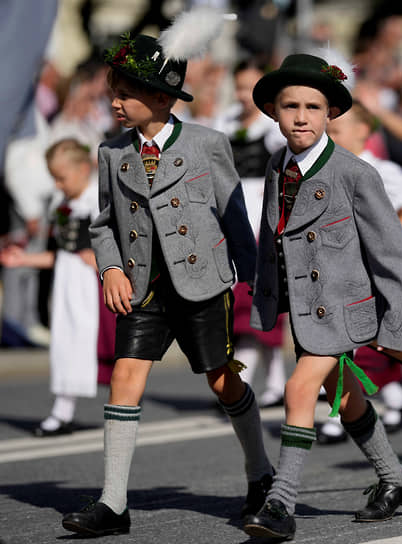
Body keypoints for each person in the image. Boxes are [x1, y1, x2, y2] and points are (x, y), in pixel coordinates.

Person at [61, 19, 274, 537]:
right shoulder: (112, 152)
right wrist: (110, 266)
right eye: (113, 93)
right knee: (124, 378)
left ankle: (260, 475)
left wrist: (252, 280)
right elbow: (104, 222)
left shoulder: (208, 143)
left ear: (160, 98)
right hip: (141, 287)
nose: (114, 103)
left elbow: (233, 217)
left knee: (223, 381)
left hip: (203, 283)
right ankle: (114, 503)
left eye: (125, 94)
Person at [243, 51, 402, 540]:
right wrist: (268, 300)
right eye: (290, 106)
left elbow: (391, 254)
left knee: (300, 389)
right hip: (302, 309)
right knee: (344, 397)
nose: (301, 116)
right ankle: (395, 477)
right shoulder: (279, 166)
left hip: (344, 307)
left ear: (331, 114)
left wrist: (394, 324)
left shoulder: (355, 174)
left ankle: (280, 504)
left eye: (313, 107)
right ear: (274, 112)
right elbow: (269, 238)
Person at [317, 101, 402, 443]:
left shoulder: (383, 170)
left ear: (363, 131)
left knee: (363, 339)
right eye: (327, 132)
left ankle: (340, 413)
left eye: (336, 131)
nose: (329, 138)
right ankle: (396, 399)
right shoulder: (329, 169)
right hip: (341, 266)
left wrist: (379, 243)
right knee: (345, 337)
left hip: (373, 267)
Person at [0, 139, 100, 436]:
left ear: (83, 169)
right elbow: (59, 254)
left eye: (61, 177)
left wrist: (100, 259)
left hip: (91, 285)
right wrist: (23, 259)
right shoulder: (62, 204)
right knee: (65, 344)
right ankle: (62, 411)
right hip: (67, 283)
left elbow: (117, 243)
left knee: (92, 344)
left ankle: (121, 407)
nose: (57, 184)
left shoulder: (96, 200)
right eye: (53, 177)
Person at [213, 57, 289, 408]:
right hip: (232, 210)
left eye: (251, 88)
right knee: (240, 301)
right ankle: (263, 381)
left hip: (261, 210)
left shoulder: (273, 127)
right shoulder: (225, 121)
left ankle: (273, 381)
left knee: (263, 297)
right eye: (240, 87)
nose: (244, 96)